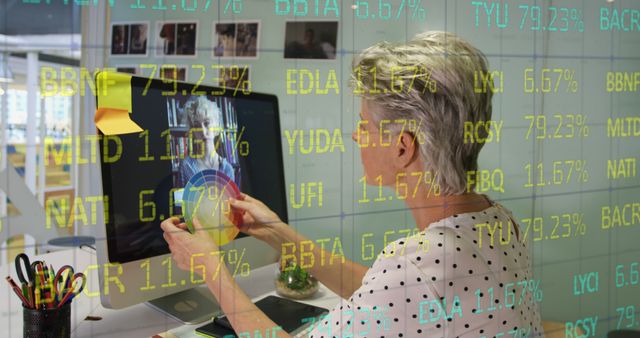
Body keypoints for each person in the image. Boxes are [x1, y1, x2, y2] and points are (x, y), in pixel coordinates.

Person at [161, 31, 543, 337]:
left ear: (402, 147)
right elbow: (384, 295)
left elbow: (402, 287)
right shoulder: (500, 223)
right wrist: (279, 235)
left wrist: (210, 267)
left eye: (365, 125)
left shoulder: (415, 269)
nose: (356, 137)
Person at [177, 96, 235, 186]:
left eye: (207, 123)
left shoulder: (227, 169)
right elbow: (180, 199)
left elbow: (232, 200)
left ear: (216, 126)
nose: (203, 132)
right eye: (196, 126)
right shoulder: (186, 167)